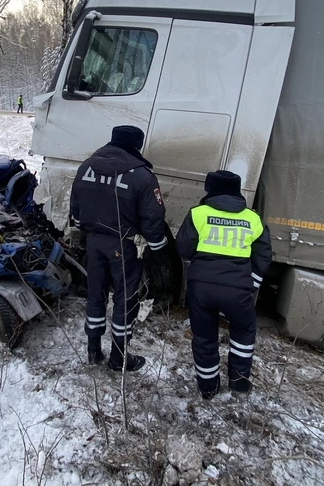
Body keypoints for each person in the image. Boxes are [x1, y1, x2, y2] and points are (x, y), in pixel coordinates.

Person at [70, 125, 168, 371]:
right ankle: (119, 358)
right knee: (125, 300)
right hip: (124, 246)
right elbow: (152, 218)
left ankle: (93, 351)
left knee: (96, 295)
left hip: (94, 242)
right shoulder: (143, 176)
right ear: (136, 146)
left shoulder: (87, 167)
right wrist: (157, 247)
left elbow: (76, 209)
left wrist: (86, 230)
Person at [175, 170, 271, 399]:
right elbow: (264, 255)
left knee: (204, 337)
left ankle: (208, 388)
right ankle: (238, 382)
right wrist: (252, 282)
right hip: (238, 288)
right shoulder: (253, 219)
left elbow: (183, 248)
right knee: (244, 331)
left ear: (211, 190)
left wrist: (197, 271)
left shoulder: (198, 214)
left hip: (201, 288)